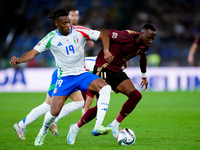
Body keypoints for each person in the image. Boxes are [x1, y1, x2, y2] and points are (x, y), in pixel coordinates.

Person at [10, 8, 114, 146]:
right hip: (64, 78)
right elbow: (33, 53)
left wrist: (106, 50)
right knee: (53, 111)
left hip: (82, 74)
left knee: (105, 88)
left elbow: (104, 36)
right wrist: (19, 60)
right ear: (56, 23)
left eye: (69, 22)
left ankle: (98, 125)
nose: (68, 25)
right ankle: (43, 130)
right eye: (64, 23)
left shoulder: (80, 30)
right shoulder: (51, 37)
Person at [67, 24, 157, 143]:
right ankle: (75, 128)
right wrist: (93, 39)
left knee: (136, 96)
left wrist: (144, 76)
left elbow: (142, 58)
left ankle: (114, 125)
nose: (150, 41)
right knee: (100, 106)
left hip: (117, 70)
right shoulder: (126, 36)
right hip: (103, 67)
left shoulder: (144, 46)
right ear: (142, 34)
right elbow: (104, 32)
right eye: (149, 38)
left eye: (152, 39)